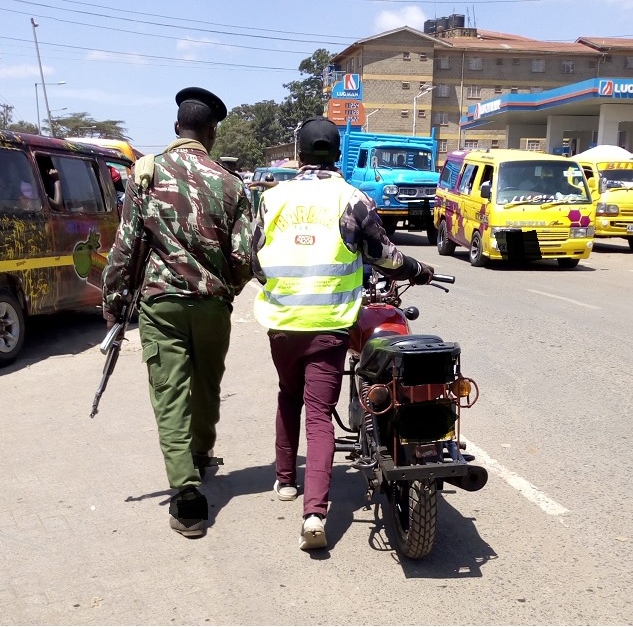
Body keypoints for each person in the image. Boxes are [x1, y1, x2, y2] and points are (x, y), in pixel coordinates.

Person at [251, 116, 435, 551]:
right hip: (331, 324)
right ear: (337, 155)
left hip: (282, 322)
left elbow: (254, 258)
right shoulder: (350, 199)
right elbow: (384, 255)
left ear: (298, 155)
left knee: (287, 395)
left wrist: (286, 286)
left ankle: (284, 481)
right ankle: (315, 514)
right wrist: (419, 270)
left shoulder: (272, 198)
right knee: (319, 413)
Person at [102, 86, 253, 537]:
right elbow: (246, 257)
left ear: (175, 128)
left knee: (170, 393)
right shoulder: (232, 184)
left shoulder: (145, 176)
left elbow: (125, 248)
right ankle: (202, 455)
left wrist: (112, 305)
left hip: (160, 305)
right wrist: (225, 289)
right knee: (207, 385)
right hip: (211, 305)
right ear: (212, 133)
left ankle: (187, 496)